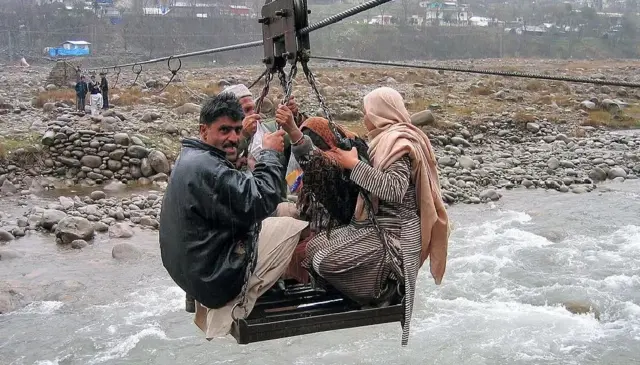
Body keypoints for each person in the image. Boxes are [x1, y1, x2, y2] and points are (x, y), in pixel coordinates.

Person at [275, 87, 450, 346]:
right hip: (373, 225)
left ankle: (382, 288)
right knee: (311, 250)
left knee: (324, 260)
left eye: (366, 112)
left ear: (379, 113)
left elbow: (393, 189)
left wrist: (353, 165)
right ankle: (363, 283)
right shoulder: (384, 139)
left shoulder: (399, 144)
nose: (364, 117)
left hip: (393, 235)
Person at [159, 92, 308, 340]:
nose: (233, 137)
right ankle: (292, 279)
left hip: (197, 272)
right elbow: (262, 198)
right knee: (294, 223)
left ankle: (280, 275)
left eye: (238, 130)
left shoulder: (193, 157)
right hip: (216, 279)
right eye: (225, 130)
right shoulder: (208, 169)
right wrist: (270, 155)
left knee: (282, 210)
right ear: (203, 130)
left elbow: (235, 186)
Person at [222, 83, 307, 201]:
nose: (254, 114)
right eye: (247, 110)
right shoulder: (220, 142)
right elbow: (220, 167)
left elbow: (299, 135)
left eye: (254, 108)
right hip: (244, 207)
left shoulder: (268, 130)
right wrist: (243, 135)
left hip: (277, 202)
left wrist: (292, 116)